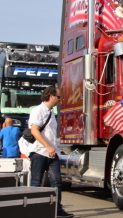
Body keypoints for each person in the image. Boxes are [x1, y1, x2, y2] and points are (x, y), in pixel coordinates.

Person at [28, 86, 73, 218]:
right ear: (51, 96)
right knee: (36, 182)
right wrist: (48, 146)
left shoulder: (51, 113)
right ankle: (33, 211)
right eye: (58, 97)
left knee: (57, 182)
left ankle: (57, 210)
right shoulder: (38, 110)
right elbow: (34, 130)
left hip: (53, 153)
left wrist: (55, 148)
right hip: (39, 152)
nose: (60, 99)